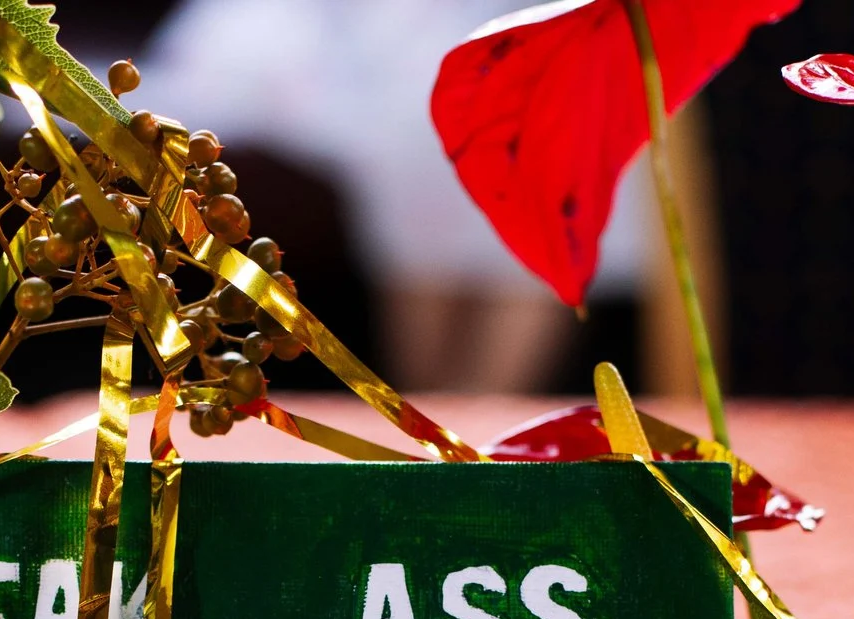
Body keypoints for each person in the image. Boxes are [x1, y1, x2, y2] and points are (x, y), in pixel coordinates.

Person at [136, 0, 657, 393]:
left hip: (548, 32)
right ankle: (430, 420)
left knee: (552, 143)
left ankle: (475, 424)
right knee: (412, 130)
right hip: (389, 37)